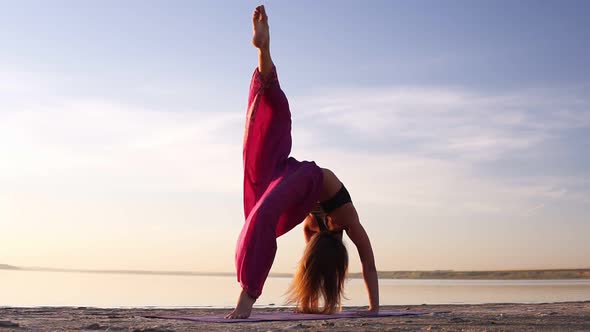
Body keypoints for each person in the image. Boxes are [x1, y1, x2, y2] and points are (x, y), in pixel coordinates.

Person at [226, 5, 379, 319]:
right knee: (263, 203)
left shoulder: (312, 228)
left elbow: (331, 265)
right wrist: (374, 308)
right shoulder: (346, 218)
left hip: (289, 177)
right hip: (307, 175)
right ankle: (263, 51)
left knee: (257, 200)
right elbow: (368, 262)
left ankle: (247, 294)